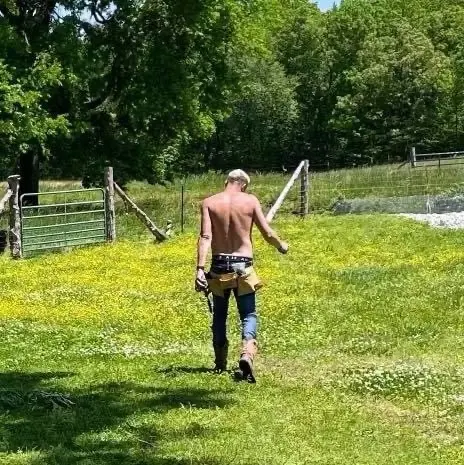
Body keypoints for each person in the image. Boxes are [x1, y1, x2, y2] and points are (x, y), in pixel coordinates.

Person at [195, 169, 289, 382]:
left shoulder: (209, 202)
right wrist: (281, 245)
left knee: (219, 315)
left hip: (219, 265)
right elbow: (267, 233)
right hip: (243, 265)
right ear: (244, 185)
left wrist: (200, 268)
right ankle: (247, 353)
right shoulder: (250, 200)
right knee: (248, 314)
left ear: (226, 181)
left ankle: (220, 362)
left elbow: (205, 237)